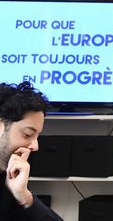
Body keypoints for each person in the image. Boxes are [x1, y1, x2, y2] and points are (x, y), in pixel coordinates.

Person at [0, 81, 64, 221]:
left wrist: (24, 196)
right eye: (28, 134)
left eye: (37, 136)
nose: (35, 146)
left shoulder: (9, 179)